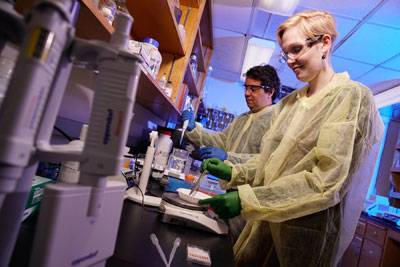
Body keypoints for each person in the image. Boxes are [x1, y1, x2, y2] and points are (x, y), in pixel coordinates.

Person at [199, 10, 384, 267]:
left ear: (325, 43)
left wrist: (247, 199)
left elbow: (326, 182)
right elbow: (271, 161)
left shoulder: (351, 97)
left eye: (297, 49)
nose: (290, 60)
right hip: (263, 223)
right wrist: (234, 170)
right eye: (286, 53)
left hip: (303, 236)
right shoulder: (290, 103)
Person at [182, 64, 280, 165]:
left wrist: (228, 157)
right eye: (246, 88)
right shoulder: (242, 118)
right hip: (227, 180)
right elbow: (221, 141)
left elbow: (266, 161)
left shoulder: (276, 121)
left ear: (270, 92)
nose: (246, 93)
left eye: (253, 89)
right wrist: (193, 130)